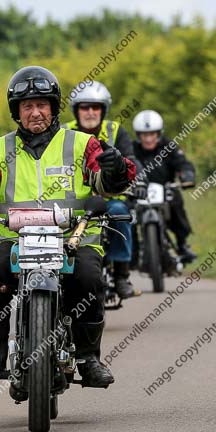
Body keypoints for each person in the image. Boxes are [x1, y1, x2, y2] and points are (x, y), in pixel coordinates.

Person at [0, 66, 136, 389]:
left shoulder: (82, 144)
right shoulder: (0, 149)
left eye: (42, 104)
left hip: (73, 240)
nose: (35, 112)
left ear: (53, 108)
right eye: (27, 106)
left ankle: (88, 358)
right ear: (17, 112)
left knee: (89, 278)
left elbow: (110, 182)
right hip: (15, 242)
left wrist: (116, 168)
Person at [62, 81, 141, 299]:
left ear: (103, 109)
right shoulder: (64, 132)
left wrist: (140, 182)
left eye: (95, 107)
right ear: (76, 110)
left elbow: (131, 161)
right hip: (75, 200)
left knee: (120, 213)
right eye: (84, 107)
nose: (90, 112)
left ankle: (121, 275)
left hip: (110, 197)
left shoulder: (115, 131)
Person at [132, 110, 197, 263]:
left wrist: (187, 174)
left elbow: (182, 163)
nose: (148, 139)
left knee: (176, 203)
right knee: (125, 214)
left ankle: (182, 244)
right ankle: (131, 251)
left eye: (152, 134)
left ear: (159, 133)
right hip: (138, 191)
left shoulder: (169, 146)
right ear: (138, 135)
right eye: (144, 135)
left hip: (165, 189)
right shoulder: (131, 149)